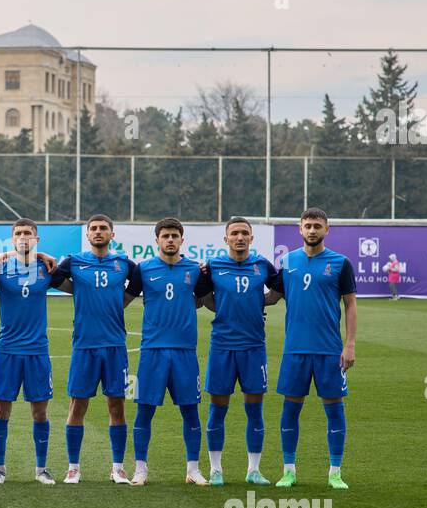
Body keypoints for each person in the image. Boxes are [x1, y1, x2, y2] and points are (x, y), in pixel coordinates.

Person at [266, 207, 357, 490]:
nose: (312, 230)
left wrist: (349, 343)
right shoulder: (289, 261)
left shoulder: (341, 263)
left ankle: (335, 472)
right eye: (308, 225)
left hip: (330, 350)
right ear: (300, 229)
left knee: (334, 410)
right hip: (295, 350)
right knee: (290, 410)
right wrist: (238, 298)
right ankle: (289, 471)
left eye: (318, 225)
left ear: (327, 229)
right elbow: (272, 297)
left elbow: (350, 304)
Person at [49, 215, 141, 484]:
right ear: (87, 235)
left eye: (103, 229)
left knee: (117, 405)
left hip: (114, 345)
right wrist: (76, 291)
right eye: (94, 229)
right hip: (84, 345)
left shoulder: (124, 264)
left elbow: (137, 286)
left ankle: (118, 467)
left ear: (112, 234)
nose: (98, 232)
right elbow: (53, 277)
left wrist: (116, 304)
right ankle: (74, 467)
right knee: (77, 405)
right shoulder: (74, 261)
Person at [194, 216, 280, 486]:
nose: (240, 237)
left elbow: (277, 292)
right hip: (222, 346)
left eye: (245, 233)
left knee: (255, 410)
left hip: (254, 347)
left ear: (251, 239)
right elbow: (203, 298)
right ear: (226, 239)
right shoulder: (213, 267)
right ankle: (216, 469)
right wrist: (223, 309)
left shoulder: (262, 265)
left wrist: (257, 304)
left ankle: (253, 470)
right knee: (217, 410)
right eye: (235, 233)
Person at [121, 217, 206, 486]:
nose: (170, 240)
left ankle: (193, 469)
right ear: (157, 240)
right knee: (144, 410)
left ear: (182, 240)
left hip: (185, 351)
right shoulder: (143, 270)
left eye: (174, 236)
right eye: (165, 236)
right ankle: (141, 469)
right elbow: (123, 300)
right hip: (152, 351)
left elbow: (205, 301)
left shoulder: (195, 269)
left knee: (190, 410)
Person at [0, 219, 59, 485]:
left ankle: (41, 470)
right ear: (12, 239)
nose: (23, 237)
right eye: (18, 234)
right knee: (2, 410)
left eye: (28, 234)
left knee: (40, 412)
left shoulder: (48, 269)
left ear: (37, 239)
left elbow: (80, 287)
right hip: (8, 350)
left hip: (37, 351)